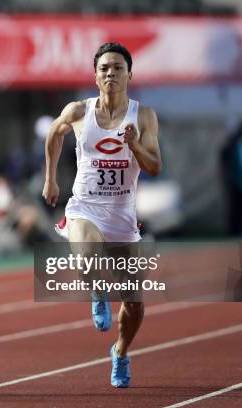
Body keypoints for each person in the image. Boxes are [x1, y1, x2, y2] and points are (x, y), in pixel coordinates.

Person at [42, 42, 161, 388]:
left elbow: (154, 166)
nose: (111, 73)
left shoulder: (144, 116)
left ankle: (120, 352)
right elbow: (53, 134)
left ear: (129, 75)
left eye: (118, 68)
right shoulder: (79, 111)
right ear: (96, 76)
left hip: (122, 217)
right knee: (87, 253)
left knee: (135, 305)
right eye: (104, 68)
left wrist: (135, 144)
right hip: (85, 207)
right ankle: (97, 291)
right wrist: (50, 179)